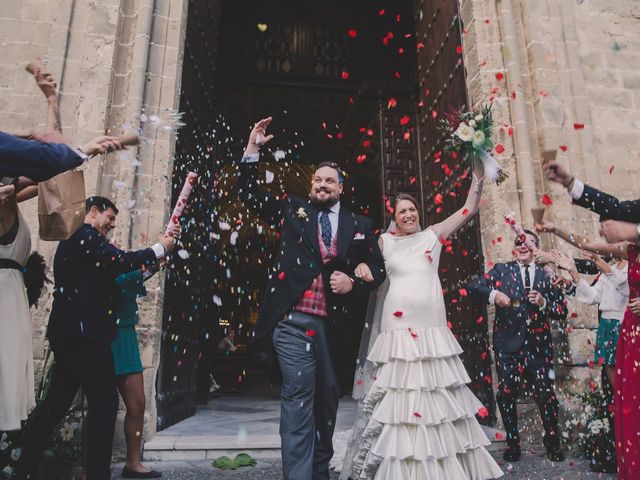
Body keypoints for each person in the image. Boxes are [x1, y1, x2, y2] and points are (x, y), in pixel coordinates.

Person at [237, 117, 386, 480]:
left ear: (341, 188)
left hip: (333, 329)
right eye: (317, 180)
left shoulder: (360, 225)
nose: (321, 184)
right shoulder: (293, 209)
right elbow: (251, 196)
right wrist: (253, 150)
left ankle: (319, 470)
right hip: (292, 322)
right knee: (299, 397)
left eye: (328, 180)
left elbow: (377, 269)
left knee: (327, 403)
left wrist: (354, 281)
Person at [341, 163, 503, 479]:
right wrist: (360, 265)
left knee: (434, 394)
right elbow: (363, 259)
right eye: (402, 211)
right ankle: (402, 465)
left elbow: (468, 210)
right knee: (402, 399)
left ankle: (440, 464)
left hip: (432, 329)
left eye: (412, 209)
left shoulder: (433, 235)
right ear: (394, 218)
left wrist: (478, 179)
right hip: (397, 330)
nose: (408, 215)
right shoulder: (384, 243)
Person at [15, 197, 179, 480]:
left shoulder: (84, 241)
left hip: (73, 335)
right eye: (110, 217)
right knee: (104, 403)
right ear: (93, 211)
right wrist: (159, 247)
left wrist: (154, 261)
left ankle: (24, 468)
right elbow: (120, 261)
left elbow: (119, 272)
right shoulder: (83, 234)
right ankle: (96, 474)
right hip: (85, 337)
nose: (113, 224)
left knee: (55, 405)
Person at [467, 230, 567, 463]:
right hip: (507, 346)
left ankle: (553, 443)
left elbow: (561, 310)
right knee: (506, 394)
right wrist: (494, 294)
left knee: (546, 396)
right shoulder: (503, 270)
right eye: (518, 242)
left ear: (537, 248)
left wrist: (544, 303)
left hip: (538, 347)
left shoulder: (547, 273)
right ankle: (513, 443)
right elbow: (474, 286)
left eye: (528, 242)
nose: (522, 245)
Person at [0, 183, 35, 434]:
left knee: (11, 360)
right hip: (5, 293)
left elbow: (41, 184)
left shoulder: (11, 203)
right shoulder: (7, 208)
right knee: (7, 359)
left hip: (12, 292)